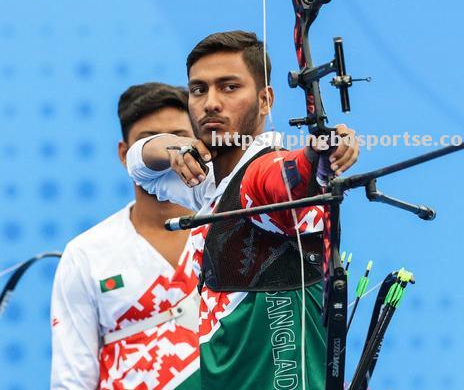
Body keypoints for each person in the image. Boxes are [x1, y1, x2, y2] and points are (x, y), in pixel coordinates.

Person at [126, 31, 359, 388]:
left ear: (266, 100)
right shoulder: (206, 180)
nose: (211, 103)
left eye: (229, 87)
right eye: (199, 90)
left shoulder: (260, 172)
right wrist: (174, 146)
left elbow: (281, 181)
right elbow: (139, 161)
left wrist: (317, 156)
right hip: (226, 368)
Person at [51, 83, 201, 389]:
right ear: (125, 154)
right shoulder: (86, 254)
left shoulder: (231, 230)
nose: (167, 153)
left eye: (178, 138)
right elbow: (72, 379)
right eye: (150, 142)